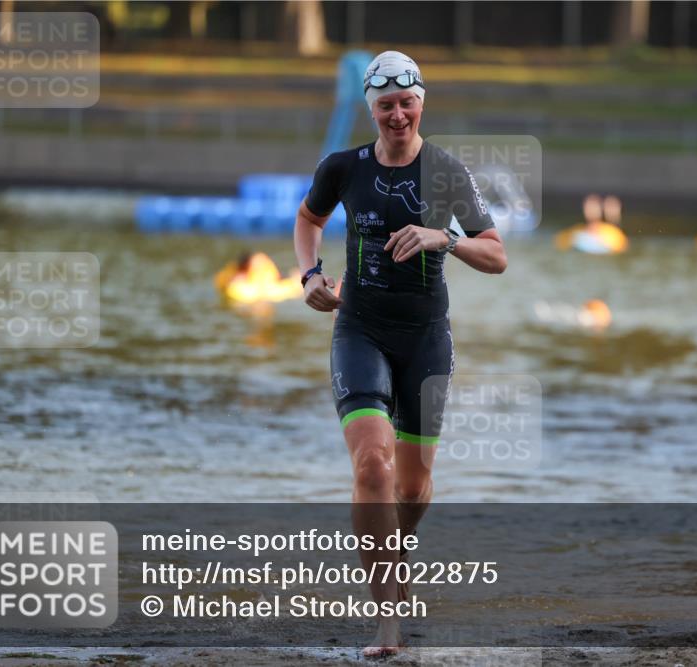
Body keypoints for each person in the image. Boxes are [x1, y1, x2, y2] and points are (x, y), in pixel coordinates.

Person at [293, 50, 507, 657]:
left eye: (406, 103)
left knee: (411, 492)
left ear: (421, 104)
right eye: (384, 105)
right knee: (372, 468)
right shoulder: (343, 168)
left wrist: (448, 237)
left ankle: (397, 549)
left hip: (425, 341)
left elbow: (497, 256)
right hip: (359, 331)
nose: (396, 115)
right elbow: (308, 219)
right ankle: (387, 618)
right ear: (372, 108)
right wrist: (309, 275)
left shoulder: (446, 173)